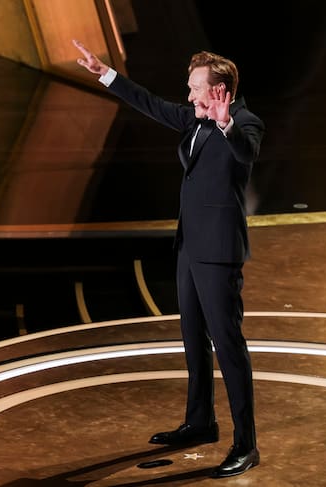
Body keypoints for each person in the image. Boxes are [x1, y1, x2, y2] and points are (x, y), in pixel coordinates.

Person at [73, 39, 264, 478]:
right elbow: (150, 104)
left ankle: (246, 444)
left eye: (196, 88)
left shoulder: (244, 123)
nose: (189, 95)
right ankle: (200, 422)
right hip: (189, 247)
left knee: (228, 346)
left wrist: (226, 124)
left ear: (220, 91)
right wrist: (105, 73)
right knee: (193, 338)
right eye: (190, 87)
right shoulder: (194, 118)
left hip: (218, 252)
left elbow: (246, 153)